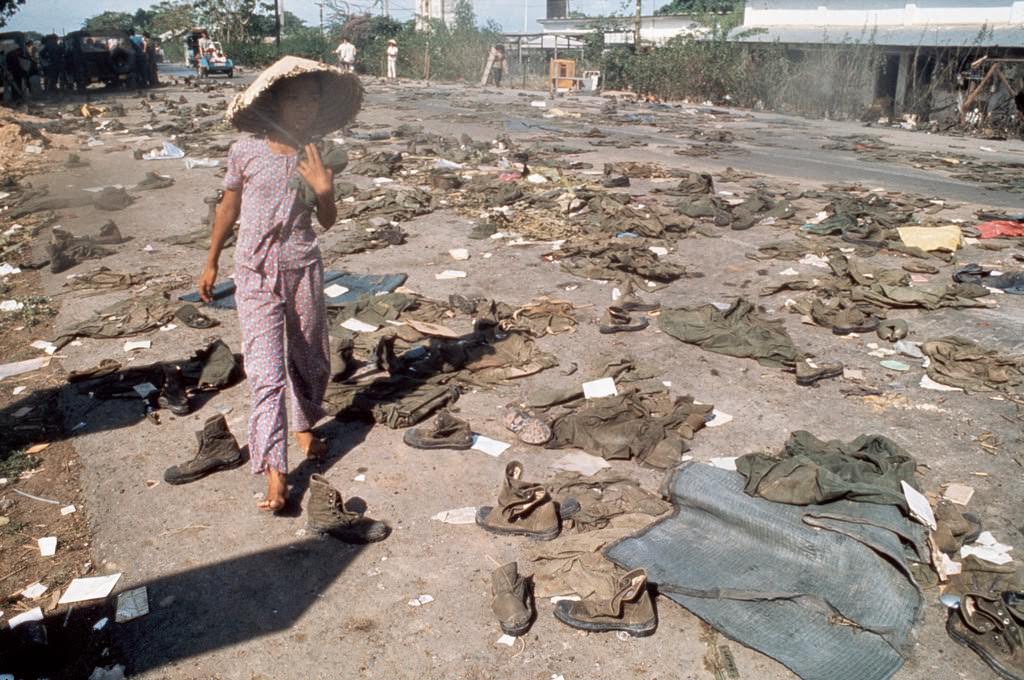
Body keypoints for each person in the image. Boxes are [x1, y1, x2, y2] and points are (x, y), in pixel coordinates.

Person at [199, 57, 363, 512]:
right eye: (296, 99)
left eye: (313, 99)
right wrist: (211, 262)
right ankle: (275, 471)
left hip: (302, 267)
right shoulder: (245, 152)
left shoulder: (318, 153)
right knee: (266, 372)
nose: (305, 108)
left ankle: (305, 422)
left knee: (312, 356)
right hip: (253, 272)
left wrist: (324, 190)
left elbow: (327, 221)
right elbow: (227, 210)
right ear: (275, 102)